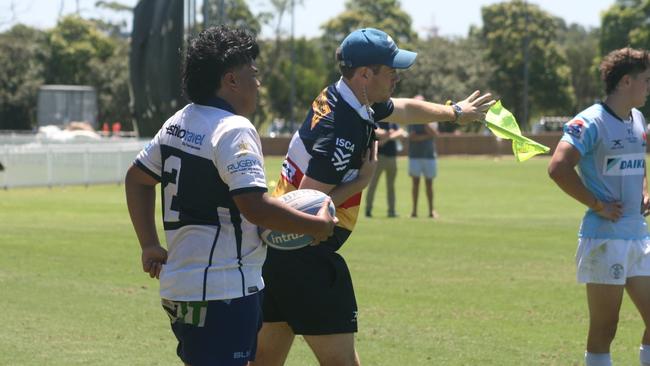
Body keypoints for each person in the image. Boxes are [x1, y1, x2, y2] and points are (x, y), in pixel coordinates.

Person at [254, 27, 494, 366]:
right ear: (365, 74)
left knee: (264, 361)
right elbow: (306, 206)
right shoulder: (342, 130)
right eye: (391, 70)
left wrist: (454, 111)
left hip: (276, 256)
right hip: (304, 254)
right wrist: (360, 182)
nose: (397, 77)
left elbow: (405, 110)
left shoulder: (344, 97)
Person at [124, 26, 336, 366]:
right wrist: (315, 225)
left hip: (182, 288)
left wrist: (148, 243)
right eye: (253, 74)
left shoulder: (178, 122)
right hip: (222, 291)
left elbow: (136, 179)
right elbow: (253, 207)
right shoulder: (233, 129)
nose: (258, 84)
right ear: (231, 80)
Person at [548, 47, 650, 366]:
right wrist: (597, 204)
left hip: (638, 236)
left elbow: (636, 165)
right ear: (625, 82)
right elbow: (558, 167)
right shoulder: (590, 121)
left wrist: (644, 193)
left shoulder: (638, 118)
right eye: (646, 80)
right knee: (605, 329)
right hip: (605, 239)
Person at [364, 121, 406, 217]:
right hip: (379, 158)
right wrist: (390, 134)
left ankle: (391, 211)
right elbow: (377, 132)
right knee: (373, 184)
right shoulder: (379, 120)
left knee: (391, 186)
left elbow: (401, 132)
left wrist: (387, 138)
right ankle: (368, 209)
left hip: (392, 157)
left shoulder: (392, 122)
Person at [407, 95, 439, 218]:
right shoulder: (410, 119)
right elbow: (412, 137)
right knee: (415, 184)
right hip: (415, 156)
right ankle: (414, 211)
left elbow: (435, 133)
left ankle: (431, 210)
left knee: (429, 184)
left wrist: (425, 123)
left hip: (429, 156)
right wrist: (426, 136)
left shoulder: (432, 117)